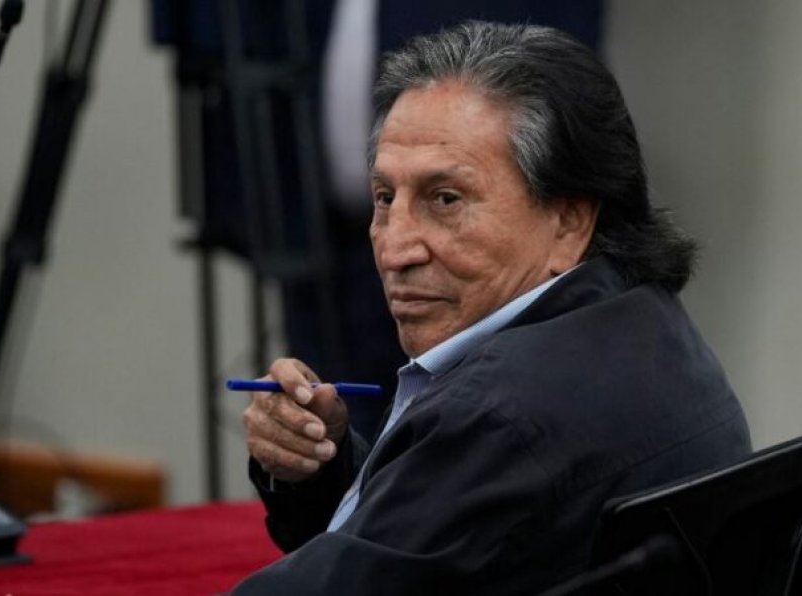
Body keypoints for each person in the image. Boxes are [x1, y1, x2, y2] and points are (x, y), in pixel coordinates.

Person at [231, 21, 751, 595]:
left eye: (445, 199)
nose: (395, 249)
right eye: (385, 198)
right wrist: (322, 468)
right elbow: (449, 542)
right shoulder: (651, 324)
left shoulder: (497, 415)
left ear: (568, 222)